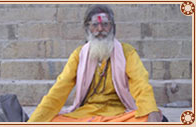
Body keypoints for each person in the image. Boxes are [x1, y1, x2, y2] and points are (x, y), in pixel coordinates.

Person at [28, 4, 163, 122]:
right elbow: (60, 88)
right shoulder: (78, 55)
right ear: (88, 28)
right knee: (52, 120)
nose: (100, 29)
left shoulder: (127, 52)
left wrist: (151, 112)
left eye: (105, 24)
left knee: (146, 118)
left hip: (118, 114)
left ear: (112, 27)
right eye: (95, 25)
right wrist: (35, 120)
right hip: (86, 113)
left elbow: (141, 84)